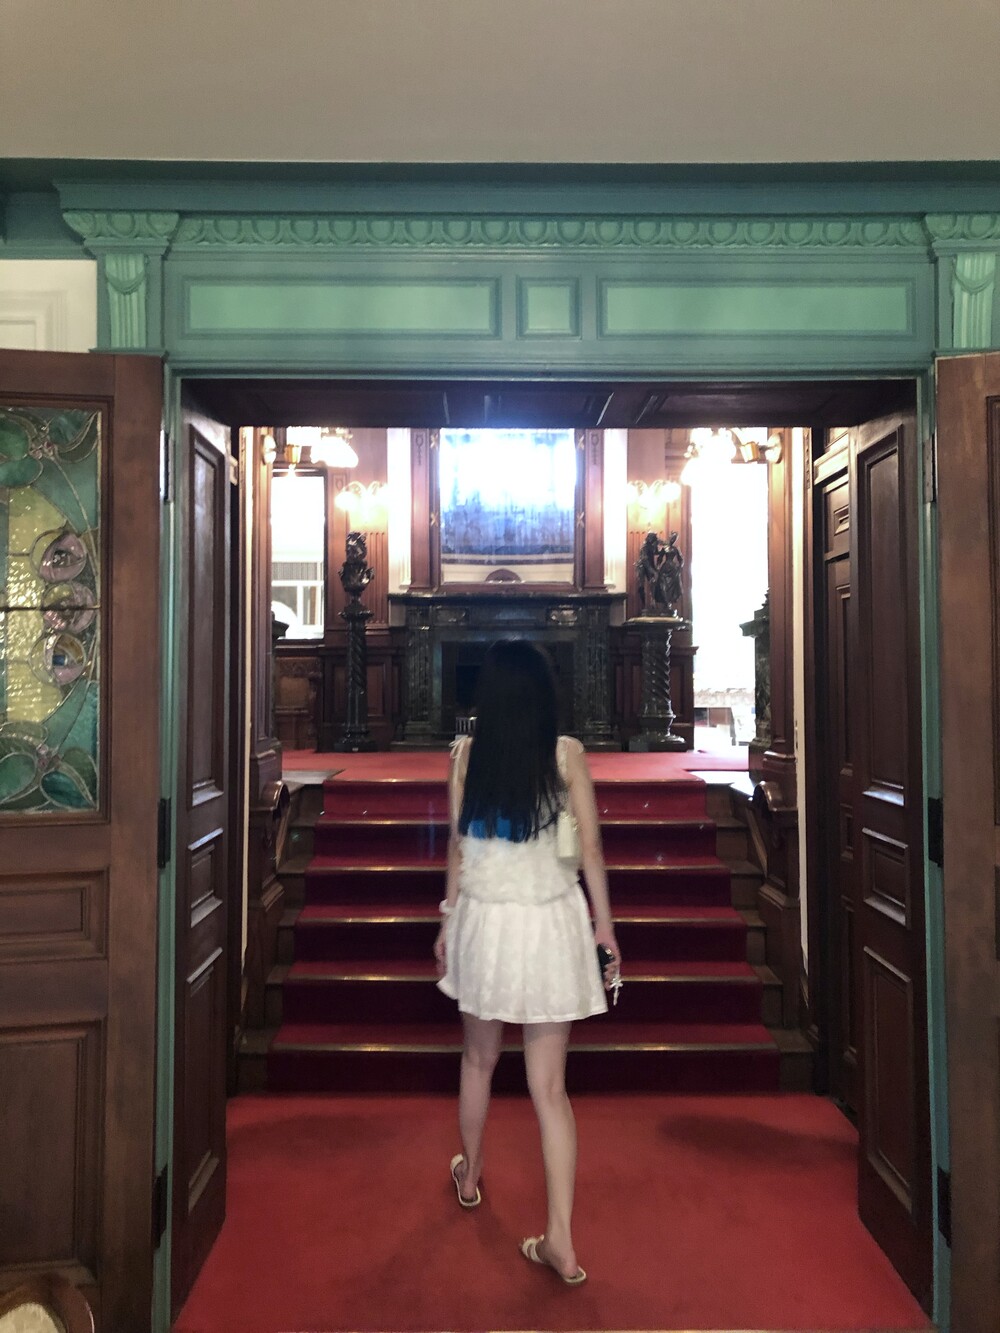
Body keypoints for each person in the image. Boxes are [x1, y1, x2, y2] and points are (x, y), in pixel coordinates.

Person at [434, 639, 621, 1285]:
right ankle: (561, 1239)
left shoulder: (464, 756)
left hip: (486, 921)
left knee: (478, 1060)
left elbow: (457, 847)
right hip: (548, 922)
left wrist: (448, 916)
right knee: (550, 1089)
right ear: (545, 694)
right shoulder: (566, 754)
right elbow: (589, 850)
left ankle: (470, 1173)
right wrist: (605, 928)